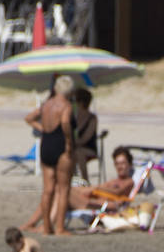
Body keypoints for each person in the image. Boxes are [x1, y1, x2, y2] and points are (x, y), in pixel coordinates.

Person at [22, 74, 75, 235]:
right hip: (60, 145)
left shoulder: (46, 105)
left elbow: (29, 118)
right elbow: (65, 122)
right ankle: (59, 227)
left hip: (46, 144)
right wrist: (69, 141)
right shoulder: (66, 105)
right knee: (64, 188)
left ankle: (46, 227)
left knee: (48, 189)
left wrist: (42, 128)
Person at [68, 145, 134, 210]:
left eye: (123, 163)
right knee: (70, 189)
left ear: (130, 164)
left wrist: (96, 188)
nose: (120, 167)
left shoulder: (129, 181)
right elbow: (100, 187)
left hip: (103, 205)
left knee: (67, 192)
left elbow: (117, 192)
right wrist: (90, 189)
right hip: (94, 200)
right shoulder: (113, 181)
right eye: (117, 164)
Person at [72, 87, 99, 180]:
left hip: (88, 148)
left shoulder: (92, 118)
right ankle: (71, 181)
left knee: (77, 152)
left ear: (81, 102)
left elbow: (85, 139)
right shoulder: (72, 116)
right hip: (74, 147)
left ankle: (85, 181)